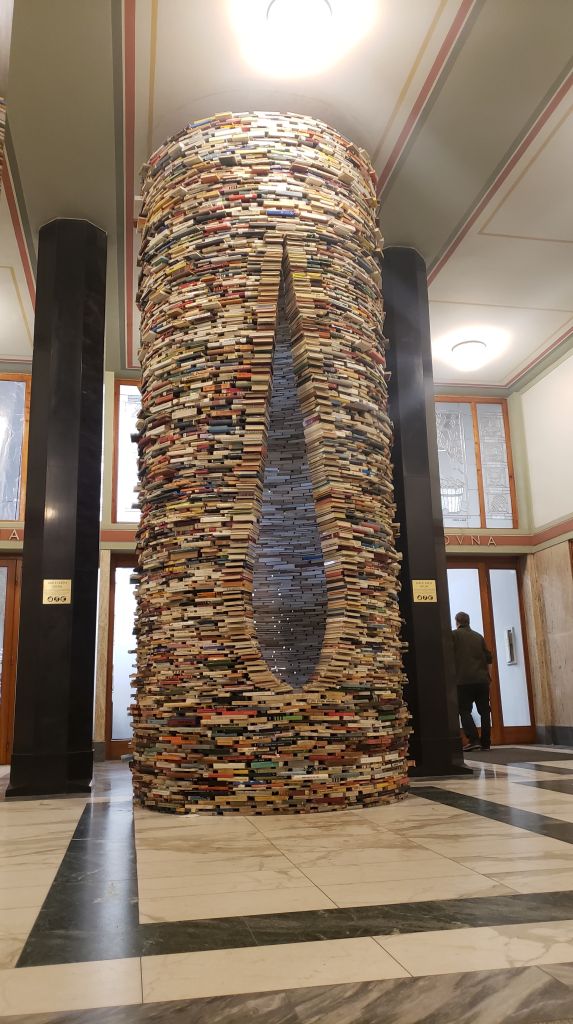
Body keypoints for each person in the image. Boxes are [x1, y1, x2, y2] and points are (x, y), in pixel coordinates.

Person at [452, 611, 493, 753]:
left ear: (457, 622)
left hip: (463, 680)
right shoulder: (478, 636)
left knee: (464, 710)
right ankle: (486, 743)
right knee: (484, 711)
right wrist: (489, 678)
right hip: (482, 680)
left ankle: (474, 740)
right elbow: (489, 659)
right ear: (468, 621)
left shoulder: (453, 635)